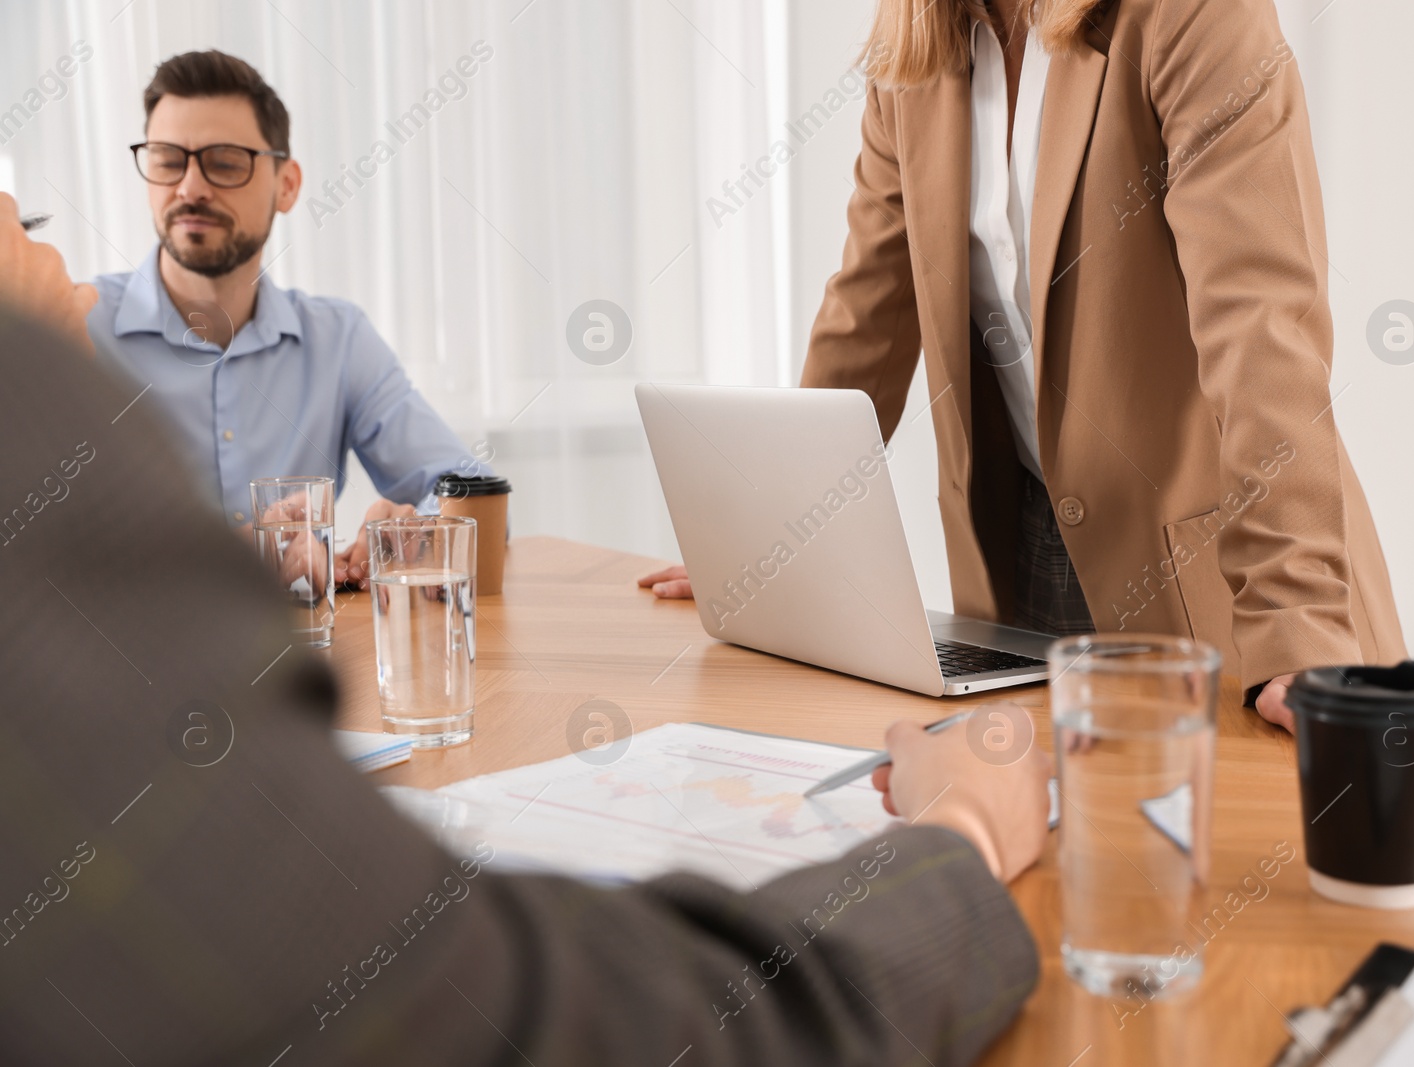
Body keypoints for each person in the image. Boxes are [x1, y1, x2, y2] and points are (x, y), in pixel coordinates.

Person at [0, 195, 1048, 1064]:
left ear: (281, 179)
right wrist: (965, 832)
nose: (40, 238)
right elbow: (602, 1029)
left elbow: (457, 482)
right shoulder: (34, 415)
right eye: (17, 216)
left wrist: (397, 526)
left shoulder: (326, 333)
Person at [642, 0, 1414, 767]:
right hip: (1019, 566)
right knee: (1052, 898)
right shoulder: (915, 43)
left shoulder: (1191, 12)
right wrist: (779, 524)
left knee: (1249, 904)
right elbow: (869, 307)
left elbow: (1263, 329)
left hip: (1225, 578)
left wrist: (1302, 630)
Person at [86, 50, 480, 587]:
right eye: (167, 159)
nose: (190, 187)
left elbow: (469, 491)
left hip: (302, 659)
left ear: (287, 185)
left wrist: (419, 535)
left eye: (224, 161)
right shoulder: (72, 328)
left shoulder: (338, 341)